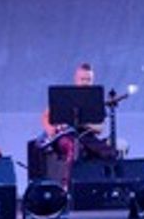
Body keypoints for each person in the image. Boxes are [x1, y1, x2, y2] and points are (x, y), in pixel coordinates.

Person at [38, 62, 117, 191]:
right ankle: (67, 187)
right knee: (73, 147)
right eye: (82, 79)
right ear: (76, 79)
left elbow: (100, 128)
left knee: (109, 152)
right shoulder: (66, 96)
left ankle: (104, 189)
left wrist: (81, 121)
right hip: (65, 136)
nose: (85, 82)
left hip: (87, 137)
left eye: (88, 79)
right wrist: (51, 130)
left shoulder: (95, 99)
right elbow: (45, 117)